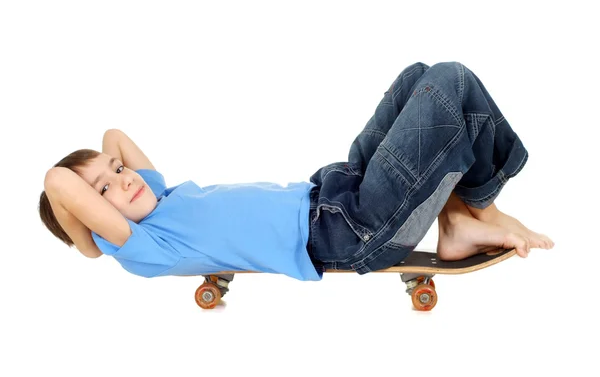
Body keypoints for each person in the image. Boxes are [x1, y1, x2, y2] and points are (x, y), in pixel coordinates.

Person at [38, 61, 554, 281]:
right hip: (351, 230)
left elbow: (114, 136)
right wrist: (87, 243)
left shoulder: (160, 196)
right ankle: (483, 210)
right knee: (450, 82)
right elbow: (57, 184)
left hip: (337, 188)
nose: (124, 177)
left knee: (417, 76)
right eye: (104, 188)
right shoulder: (144, 245)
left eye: (118, 170)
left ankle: (458, 222)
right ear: (94, 224)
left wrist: (108, 171)